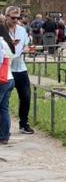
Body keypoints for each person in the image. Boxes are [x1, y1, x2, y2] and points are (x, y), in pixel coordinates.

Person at [5, 7, 33, 135]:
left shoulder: (22, 30)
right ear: (6, 17)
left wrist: (27, 48)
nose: (16, 20)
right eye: (13, 18)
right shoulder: (2, 31)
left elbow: (26, 43)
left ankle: (23, 123)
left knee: (26, 97)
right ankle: (4, 128)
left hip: (21, 67)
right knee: (4, 99)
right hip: (6, 68)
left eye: (18, 18)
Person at [0, 20, 15, 145]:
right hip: (9, 78)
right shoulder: (6, 42)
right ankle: (4, 136)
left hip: (2, 80)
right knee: (4, 108)